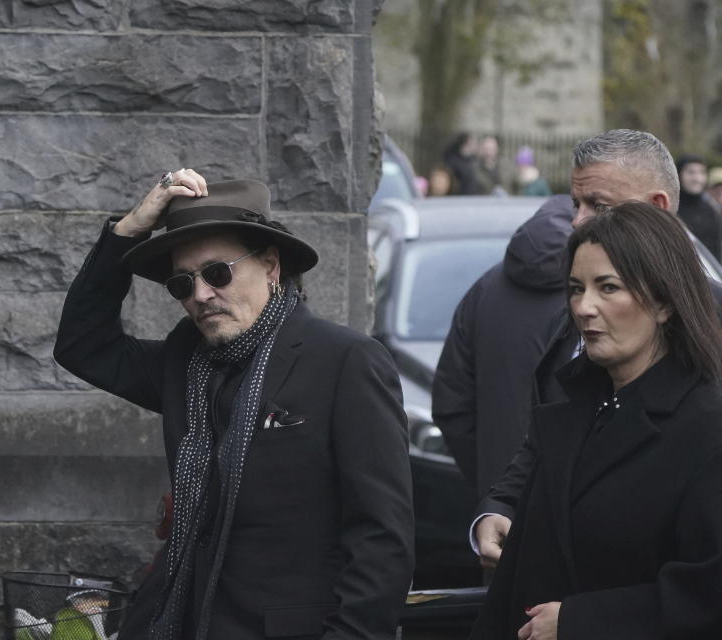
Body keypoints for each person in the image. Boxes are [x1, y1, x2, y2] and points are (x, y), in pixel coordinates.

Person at [54, 171, 414, 640]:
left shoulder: (345, 362)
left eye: (217, 273)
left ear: (269, 266)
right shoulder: (185, 363)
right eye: (182, 284)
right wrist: (128, 231)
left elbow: (382, 539)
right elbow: (83, 345)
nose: (201, 294)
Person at [467, 129, 722, 570]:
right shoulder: (585, 306)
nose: (578, 222)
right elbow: (562, 425)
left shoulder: (711, 319)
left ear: (658, 207)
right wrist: (501, 506)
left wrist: (588, 618)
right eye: (575, 204)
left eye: (600, 205)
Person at [433, 195, 572, 493]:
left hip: (501, 508)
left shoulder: (484, 290)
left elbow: (451, 405)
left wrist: (493, 478)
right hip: (578, 498)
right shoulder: (603, 294)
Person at [675, 153, 722, 260]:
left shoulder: (712, 210)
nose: (697, 178)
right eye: (691, 172)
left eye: (702, 172)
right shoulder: (671, 209)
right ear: (679, 174)